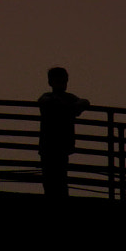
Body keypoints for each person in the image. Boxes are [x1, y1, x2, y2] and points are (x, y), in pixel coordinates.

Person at [36, 66, 90, 198]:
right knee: (55, 179)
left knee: (55, 179)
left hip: (53, 145)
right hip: (55, 145)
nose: (62, 84)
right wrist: (70, 107)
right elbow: (82, 103)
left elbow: (85, 102)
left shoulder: (63, 98)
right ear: (51, 82)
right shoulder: (52, 98)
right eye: (59, 81)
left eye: (64, 81)